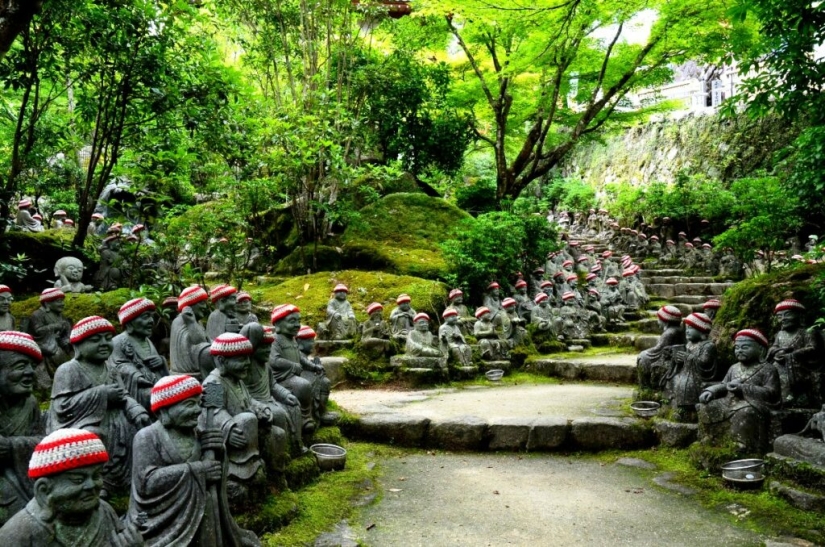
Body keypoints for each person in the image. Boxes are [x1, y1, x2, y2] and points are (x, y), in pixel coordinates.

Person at [129, 375, 260, 546]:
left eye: (198, 404)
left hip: (196, 503)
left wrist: (218, 451)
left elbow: (214, 472)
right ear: (164, 410)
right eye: (189, 405)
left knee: (208, 501)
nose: (197, 411)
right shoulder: (146, 437)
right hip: (157, 514)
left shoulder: (198, 433)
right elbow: (147, 483)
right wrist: (198, 470)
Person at [48, 316, 151, 495]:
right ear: (78, 345)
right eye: (96, 340)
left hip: (117, 420)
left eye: (107, 339)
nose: (104, 343)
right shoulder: (68, 370)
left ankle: (130, 480)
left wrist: (135, 409)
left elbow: (123, 394)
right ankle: (99, 483)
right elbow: (62, 406)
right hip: (81, 423)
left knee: (140, 428)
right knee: (94, 435)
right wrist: (102, 394)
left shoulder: (111, 369)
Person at [0, 429, 143, 545]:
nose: (91, 485)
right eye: (78, 480)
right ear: (44, 490)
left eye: (96, 476)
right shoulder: (20, 532)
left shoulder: (104, 512)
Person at [203, 333, 284, 496]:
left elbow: (249, 401)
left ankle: (276, 477)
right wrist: (229, 429)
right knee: (247, 419)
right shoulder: (213, 383)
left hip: (249, 431)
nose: (247, 363)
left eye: (248, 358)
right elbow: (212, 413)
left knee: (278, 435)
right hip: (232, 440)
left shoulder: (238, 380)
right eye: (241, 359)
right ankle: (242, 476)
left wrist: (261, 408)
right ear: (221, 361)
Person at [698, 329, 781, 453]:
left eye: (745, 347)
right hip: (730, 401)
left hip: (753, 403)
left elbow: (772, 393)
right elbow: (724, 384)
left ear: (760, 349)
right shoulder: (734, 367)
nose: (739, 350)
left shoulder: (768, 369)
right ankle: (712, 437)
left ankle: (742, 444)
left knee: (745, 412)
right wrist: (711, 391)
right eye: (737, 347)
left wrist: (743, 388)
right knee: (706, 406)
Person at [0, 332, 45, 526]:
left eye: (32, 367)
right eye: (20, 366)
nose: (30, 373)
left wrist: (11, 446)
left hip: (22, 473)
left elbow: (41, 441)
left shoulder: (30, 402)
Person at [241, 323, 304, 456]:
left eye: (269, 346)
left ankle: (296, 446)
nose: (268, 350)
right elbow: (242, 392)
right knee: (279, 414)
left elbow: (273, 385)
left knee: (294, 407)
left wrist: (286, 394)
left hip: (270, 400)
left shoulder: (266, 367)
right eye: (263, 347)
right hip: (255, 403)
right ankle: (280, 452)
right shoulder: (245, 369)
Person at [268, 304, 327, 436]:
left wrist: (313, 366)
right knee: (303, 385)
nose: (297, 325)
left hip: (294, 376)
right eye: (292, 321)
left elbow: (301, 359)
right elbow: (274, 361)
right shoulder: (275, 341)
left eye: (298, 321)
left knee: (315, 382)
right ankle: (305, 417)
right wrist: (292, 366)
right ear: (278, 324)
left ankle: (315, 413)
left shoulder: (293, 341)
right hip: (281, 379)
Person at [110, 298, 169, 413]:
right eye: (145, 316)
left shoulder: (147, 340)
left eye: (151, 316)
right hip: (138, 390)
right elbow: (116, 369)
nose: (151, 321)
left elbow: (159, 368)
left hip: (155, 383)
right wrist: (137, 375)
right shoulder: (117, 342)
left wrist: (161, 361)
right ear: (130, 323)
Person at [767, 299, 822, 407]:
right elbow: (774, 346)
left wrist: (792, 354)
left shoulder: (808, 332)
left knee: (784, 370)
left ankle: (791, 396)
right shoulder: (780, 334)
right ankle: (776, 397)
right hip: (781, 361)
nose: (783, 319)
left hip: (800, 364)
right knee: (770, 369)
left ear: (799, 315)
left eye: (787, 315)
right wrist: (776, 352)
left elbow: (813, 348)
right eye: (779, 316)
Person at [665, 313, 717, 422]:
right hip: (685, 373)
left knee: (688, 384)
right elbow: (682, 363)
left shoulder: (708, 346)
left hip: (698, 377)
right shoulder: (688, 344)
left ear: (702, 330)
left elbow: (705, 362)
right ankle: (674, 404)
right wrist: (676, 360)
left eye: (691, 328)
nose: (687, 331)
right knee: (672, 380)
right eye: (686, 328)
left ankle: (688, 411)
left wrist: (688, 357)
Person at [26, 288, 72, 390]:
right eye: (58, 301)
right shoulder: (37, 314)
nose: (62, 304)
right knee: (57, 354)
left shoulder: (60, 315)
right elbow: (38, 331)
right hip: (43, 344)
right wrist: (55, 326)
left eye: (62, 301)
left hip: (57, 342)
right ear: (47, 303)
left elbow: (65, 329)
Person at [170, 286, 214, 381]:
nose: (205, 307)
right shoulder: (180, 321)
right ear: (190, 306)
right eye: (202, 303)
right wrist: (191, 323)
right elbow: (199, 341)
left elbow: (206, 340)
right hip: (188, 372)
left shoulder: (197, 322)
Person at [637, 306, 685, 392]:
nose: (658, 321)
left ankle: (645, 387)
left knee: (642, 358)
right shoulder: (677, 329)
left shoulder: (669, 333)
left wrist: (645, 353)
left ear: (666, 321)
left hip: (668, 358)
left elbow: (659, 349)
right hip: (669, 355)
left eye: (659, 319)